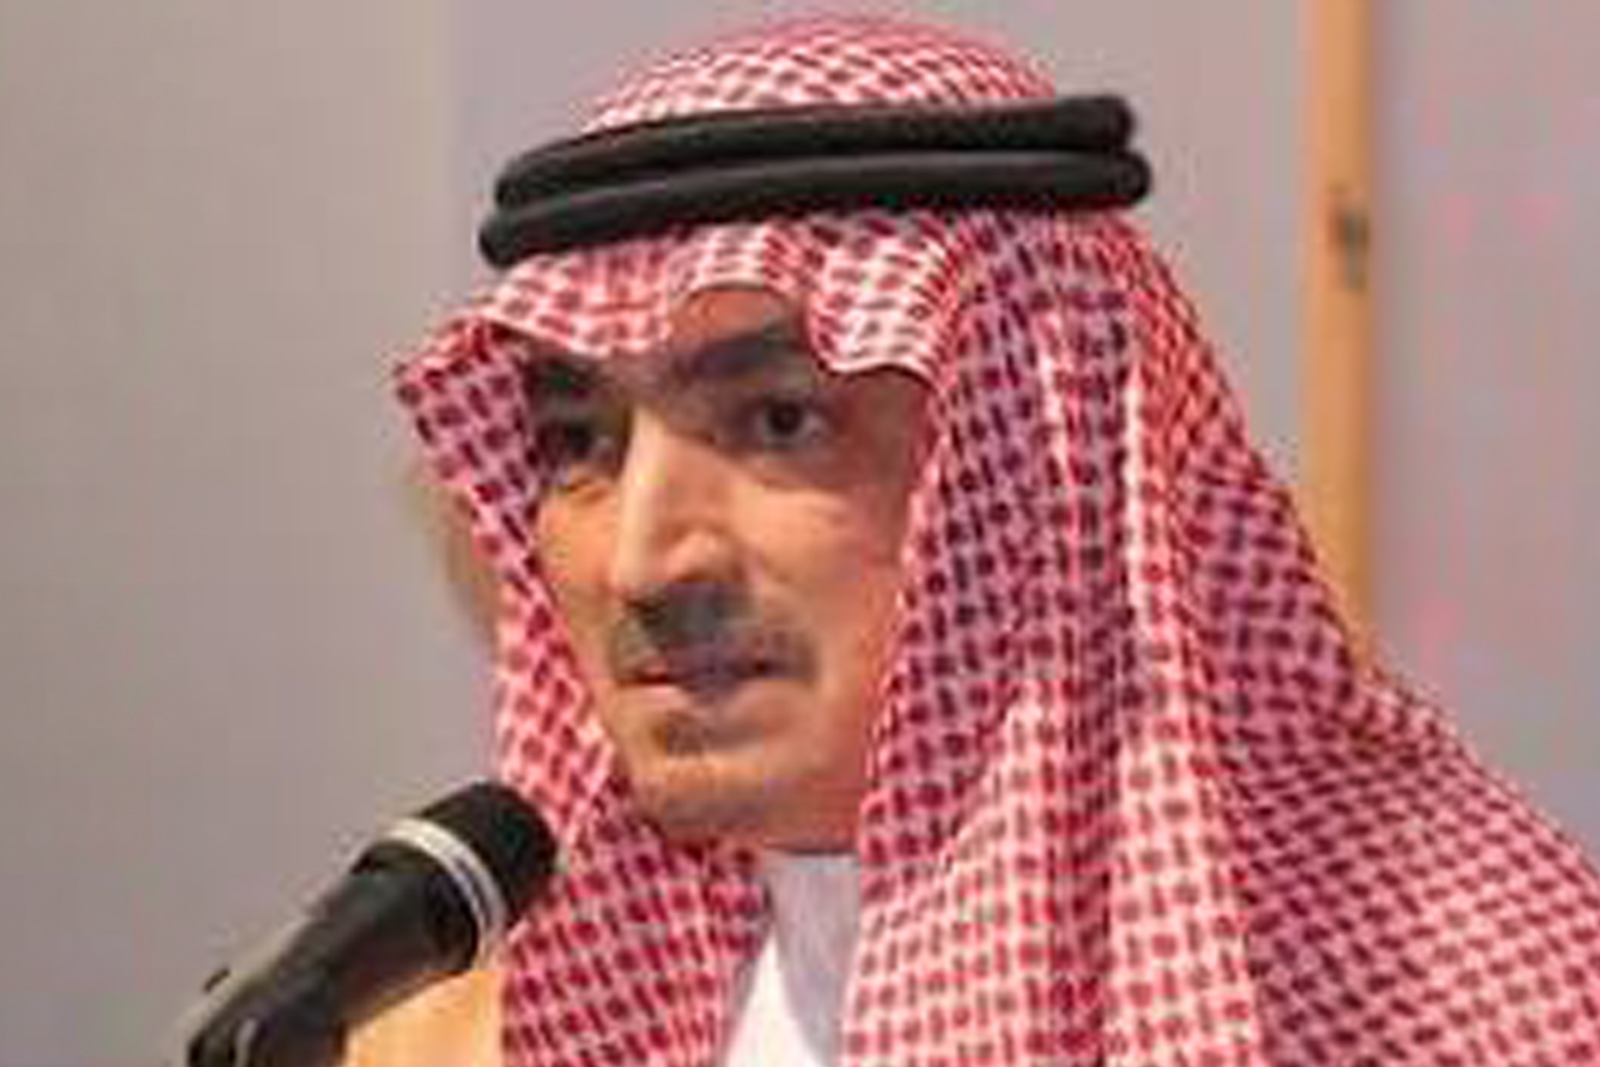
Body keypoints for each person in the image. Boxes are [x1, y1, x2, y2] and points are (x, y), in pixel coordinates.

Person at [393, 14, 1600, 1066]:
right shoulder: (448, 1034)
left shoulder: (1468, 1011)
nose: (642, 560)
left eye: (778, 421)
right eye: (579, 441)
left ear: (1039, 460)